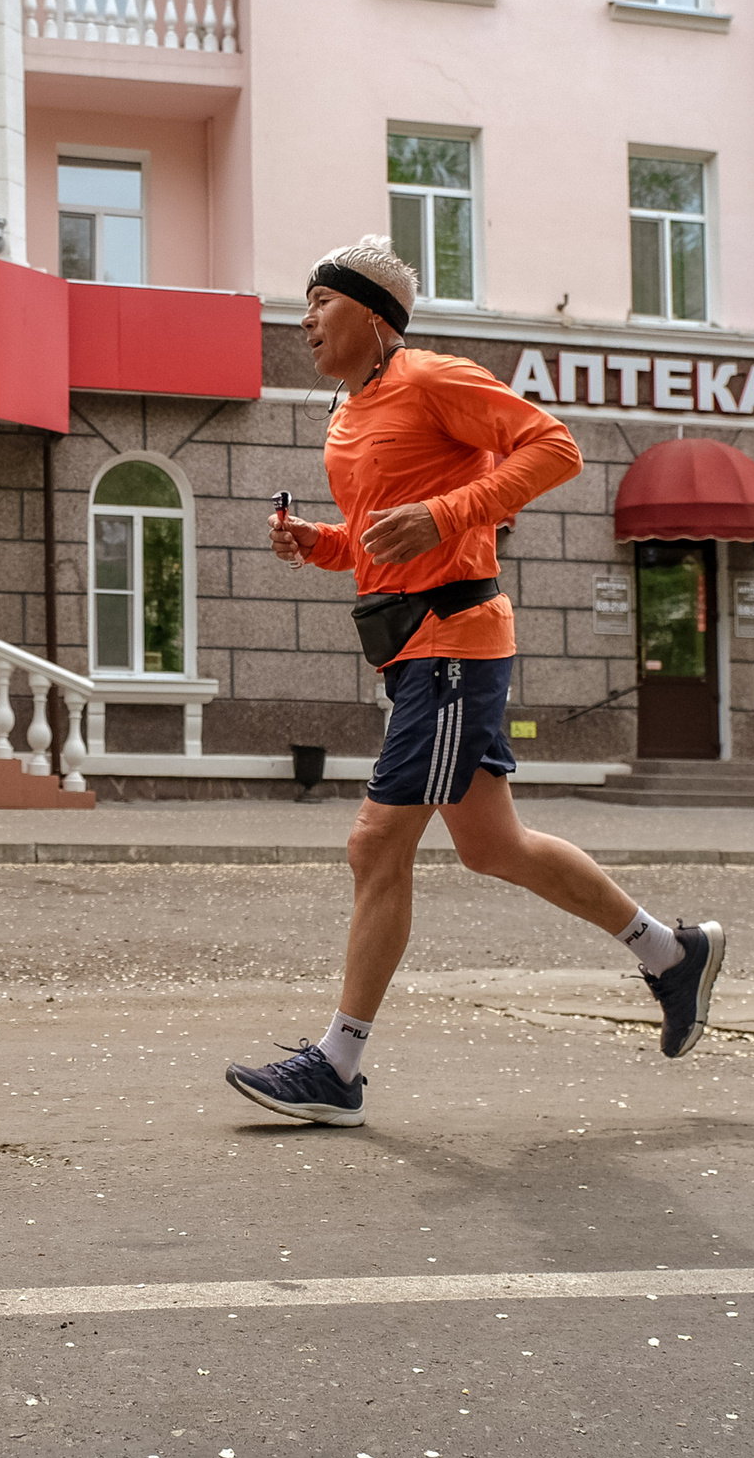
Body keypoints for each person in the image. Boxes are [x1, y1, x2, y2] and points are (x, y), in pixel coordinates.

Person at [224, 235, 726, 1128]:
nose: (303, 319)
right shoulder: (348, 412)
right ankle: (671, 953)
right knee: (494, 845)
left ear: (373, 318)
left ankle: (337, 1064)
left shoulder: (430, 378)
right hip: (413, 644)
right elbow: (385, 534)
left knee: (376, 842)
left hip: (456, 640)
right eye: (302, 305)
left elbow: (554, 445)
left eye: (320, 303)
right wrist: (324, 543)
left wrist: (450, 511)